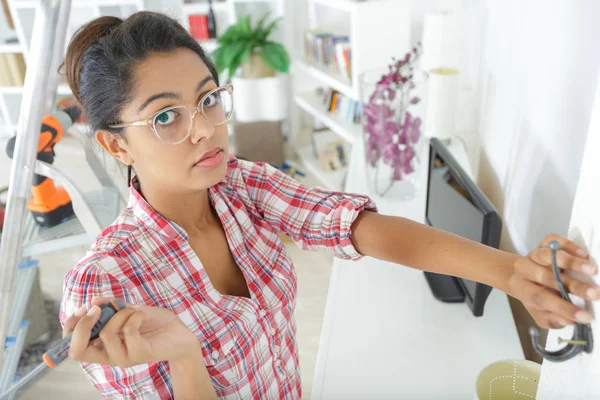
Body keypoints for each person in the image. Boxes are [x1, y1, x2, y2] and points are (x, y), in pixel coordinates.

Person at [59, 11, 598, 400]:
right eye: (165, 117)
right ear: (115, 144)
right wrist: (183, 355)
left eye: (206, 99)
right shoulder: (106, 284)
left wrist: (512, 273)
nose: (205, 129)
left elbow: (361, 228)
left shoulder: (242, 188)